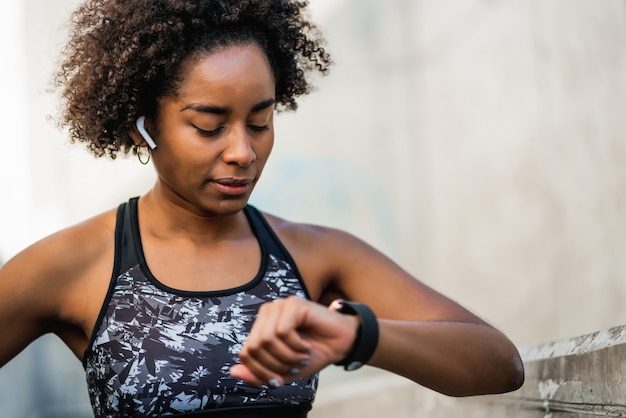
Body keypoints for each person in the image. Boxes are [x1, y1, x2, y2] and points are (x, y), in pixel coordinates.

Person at [0, 0, 524, 417]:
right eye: (208, 126)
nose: (242, 152)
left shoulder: (313, 254)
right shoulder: (74, 263)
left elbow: (499, 364)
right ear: (145, 124)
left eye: (259, 121)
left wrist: (354, 334)